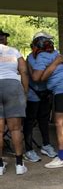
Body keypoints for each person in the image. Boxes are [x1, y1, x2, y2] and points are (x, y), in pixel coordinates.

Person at [31, 32, 63, 169]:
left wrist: (52, 65)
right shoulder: (56, 54)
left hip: (62, 89)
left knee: (59, 123)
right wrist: (56, 62)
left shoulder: (41, 57)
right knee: (62, 122)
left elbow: (37, 77)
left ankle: (62, 157)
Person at [24, 35, 57, 163]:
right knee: (30, 121)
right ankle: (28, 150)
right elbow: (35, 76)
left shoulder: (50, 55)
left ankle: (46, 145)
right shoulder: (30, 59)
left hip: (45, 92)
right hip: (33, 93)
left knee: (44, 120)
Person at [0, 29, 28, 175]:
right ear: (4, 39)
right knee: (15, 129)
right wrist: (25, 91)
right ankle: (19, 164)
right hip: (12, 86)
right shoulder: (14, 52)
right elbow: (23, 71)